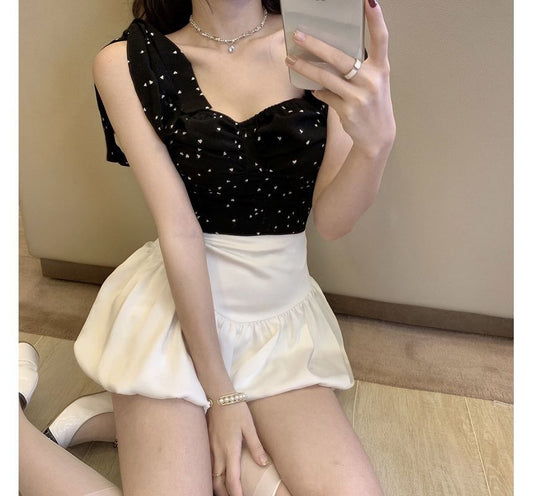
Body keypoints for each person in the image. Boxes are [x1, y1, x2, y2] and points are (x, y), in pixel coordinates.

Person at [19, 0, 395, 494]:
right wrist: (221, 396)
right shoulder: (127, 62)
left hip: (277, 323)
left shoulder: (318, 45)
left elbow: (330, 222)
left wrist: (375, 145)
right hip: (174, 313)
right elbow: (179, 229)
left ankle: (141, 425)